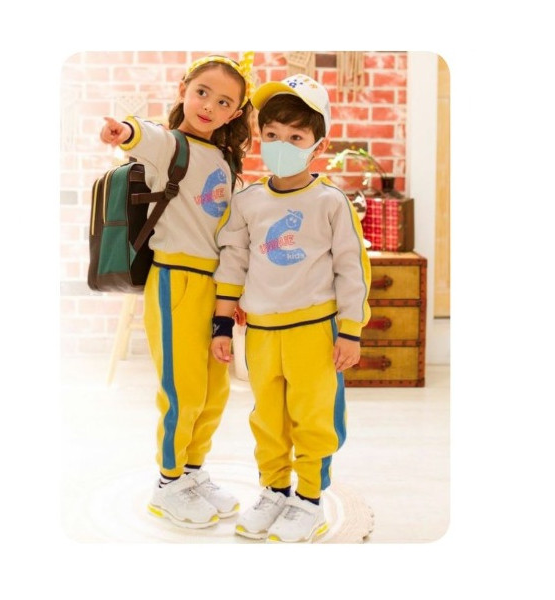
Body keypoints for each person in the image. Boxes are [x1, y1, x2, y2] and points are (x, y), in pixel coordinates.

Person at [211, 74, 371, 543]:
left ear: (318, 146)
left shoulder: (330, 202)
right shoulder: (248, 201)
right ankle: (275, 490)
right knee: (267, 419)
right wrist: (222, 323)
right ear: (260, 137)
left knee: (313, 418)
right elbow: (233, 262)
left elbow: (351, 269)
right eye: (273, 134)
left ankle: (309, 499)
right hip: (261, 333)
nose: (282, 145)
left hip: (313, 332)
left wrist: (351, 331)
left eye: (296, 138)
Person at [99, 53, 254, 529]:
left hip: (215, 286)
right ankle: (168, 483)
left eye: (223, 102)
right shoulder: (170, 146)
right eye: (202, 92)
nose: (209, 106)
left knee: (214, 391)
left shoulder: (226, 161)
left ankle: (192, 472)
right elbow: (140, 134)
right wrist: (123, 131)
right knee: (181, 389)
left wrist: (235, 295)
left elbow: (231, 233)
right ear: (184, 89)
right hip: (175, 282)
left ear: (235, 113)